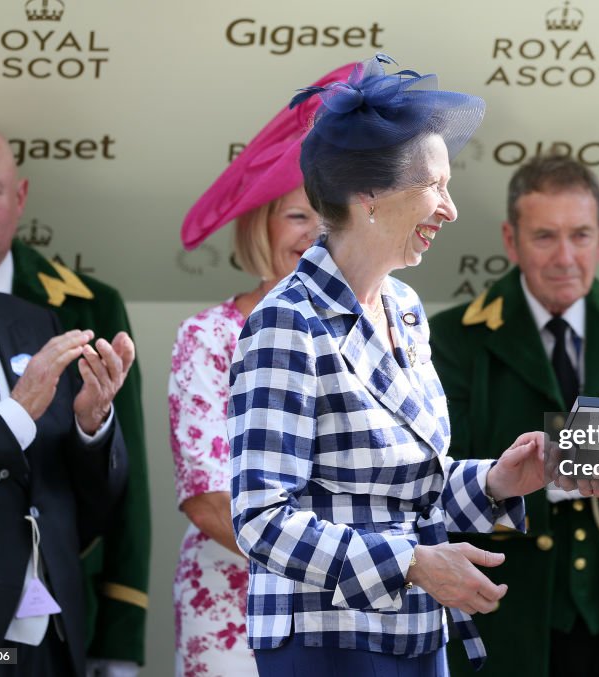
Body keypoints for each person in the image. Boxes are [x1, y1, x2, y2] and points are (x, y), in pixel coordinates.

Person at [228, 55, 550, 676]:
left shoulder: (403, 307)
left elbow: (405, 496)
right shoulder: (285, 324)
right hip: (327, 646)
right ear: (369, 196)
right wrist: (411, 563)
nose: (450, 209)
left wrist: (497, 483)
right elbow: (262, 521)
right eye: (434, 186)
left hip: (414, 634)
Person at [430, 152, 599, 677]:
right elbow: (444, 474)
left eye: (580, 236)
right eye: (544, 237)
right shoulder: (452, 341)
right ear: (511, 240)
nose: (565, 257)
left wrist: (560, 453)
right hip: (506, 619)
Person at [0, 119, 150, 677]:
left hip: (53, 640)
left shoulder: (32, 322)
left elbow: (93, 502)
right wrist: (15, 415)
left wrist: (91, 425)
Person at [169, 61, 353, 677]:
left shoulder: (364, 332)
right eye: (297, 216)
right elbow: (208, 501)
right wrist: (330, 564)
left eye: (328, 218)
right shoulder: (208, 337)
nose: (314, 235)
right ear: (261, 226)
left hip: (349, 609)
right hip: (236, 614)